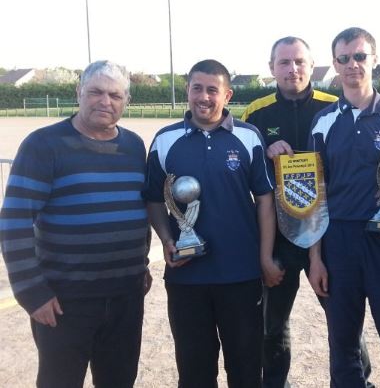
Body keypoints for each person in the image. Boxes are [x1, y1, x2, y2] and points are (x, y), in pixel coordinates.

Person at [0, 60, 151, 388]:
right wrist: (32, 292)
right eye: (96, 92)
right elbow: (14, 221)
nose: (105, 101)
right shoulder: (43, 145)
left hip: (125, 296)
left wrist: (141, 266)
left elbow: (136, 210)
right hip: (64, 301)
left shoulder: (134, 146)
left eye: (115, 95)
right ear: (78, 92)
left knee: (119, 381)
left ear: (126, 101)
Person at [242, 36, 375, 388]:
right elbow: (247, 171)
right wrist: (266, 150)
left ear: (312, 65)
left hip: (328, 236)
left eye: (299, 61)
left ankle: (359, 383)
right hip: (278, 236)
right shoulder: (255, 113)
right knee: (272, 325)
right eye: (284, 62)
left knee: (343, 321)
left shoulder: (335, 107)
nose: (292, 69)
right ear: (272, 68)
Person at [143, 59, 275, 388]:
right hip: (186, 277)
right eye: (197, 88)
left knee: (246, 371)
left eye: (212, 90)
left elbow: (265, 199)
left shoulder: (248, 136)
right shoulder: (165, 139)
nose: (204, 97)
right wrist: (167, 240)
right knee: (194, 372)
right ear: (187, 91)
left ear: (227, 95)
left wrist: (264, 258)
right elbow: (154, 199)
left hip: (240, 275)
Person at [308, 27, 380, 387]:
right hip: (338, 241)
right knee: (343, 340)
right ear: (335, 64)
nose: (352, 64)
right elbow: (316, 194)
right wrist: (315, 258)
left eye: (359, 56)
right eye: (344, 58)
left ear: (374, 60)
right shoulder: (323, 122)